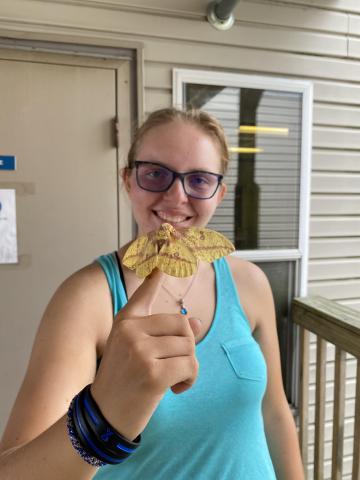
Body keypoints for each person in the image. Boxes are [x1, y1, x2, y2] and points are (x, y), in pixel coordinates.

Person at [0, 107, 304, 479]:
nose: (177, 197)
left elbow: (274, 413)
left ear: (219, 193)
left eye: (199, 180)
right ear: (128, 181)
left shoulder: (250, 284)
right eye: (156, 174)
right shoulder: (88, 298)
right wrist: (105, 411)